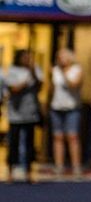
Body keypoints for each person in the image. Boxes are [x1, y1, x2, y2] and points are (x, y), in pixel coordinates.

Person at [5, 49, 42, 182]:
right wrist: (25, 83)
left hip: (30, 112)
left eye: (29, 57)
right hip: (15, 113)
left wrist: (32, 72)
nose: (27, 60)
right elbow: (13, 89)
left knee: (29, 143)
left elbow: (39, 85)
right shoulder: (12, 70)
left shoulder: (35, 69)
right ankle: (10, 170)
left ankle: (29, 171)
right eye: (25, 57)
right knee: (13, 142)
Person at [50, 48, 83, 177]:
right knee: (58, 137)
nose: (61, 58)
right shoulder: (55, 70)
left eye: (64, 56)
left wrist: (64, 73)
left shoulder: (77, 69)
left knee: (72, 136)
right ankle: (59, 166)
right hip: (56, 107)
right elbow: (52, 88)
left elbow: (74, 85)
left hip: (72, 107)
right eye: (59, 56)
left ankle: (76, 167)